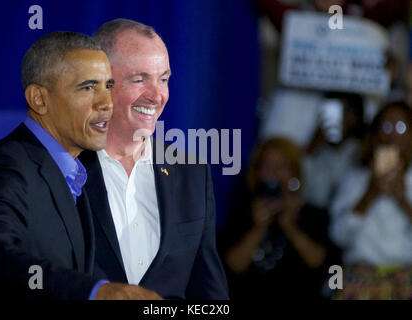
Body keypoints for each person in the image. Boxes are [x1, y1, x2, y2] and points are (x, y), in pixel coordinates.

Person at [0, 31, 158, 300]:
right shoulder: (6, 169)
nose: (107, 103)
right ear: (39, 99)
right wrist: (95, 292)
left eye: (108, 86)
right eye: (89, 87)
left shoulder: (76, 168)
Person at [78, 19, 229, 300]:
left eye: (163, 79)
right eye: (139, 79)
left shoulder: (192, 174)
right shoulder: (63, 170)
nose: (157, 95)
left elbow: (209, 293)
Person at [218, 137, 341, 300]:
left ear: (295, 174)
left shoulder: (313, 215)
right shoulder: (242, 211)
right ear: (257, 172)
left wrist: (290, 227)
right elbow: (232, 267)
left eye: (282, 166)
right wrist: (258, 228)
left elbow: (322, 264)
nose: (275, 173)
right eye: (267, 166)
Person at [329, 101, 412, 299]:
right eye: (385, 126)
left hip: (406, 281)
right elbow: (338, 235)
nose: (391, 135)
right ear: (374, 135)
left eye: (401, 127)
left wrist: (402, 199)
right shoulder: (354, 179)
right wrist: (370, 194)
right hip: (359, 280)